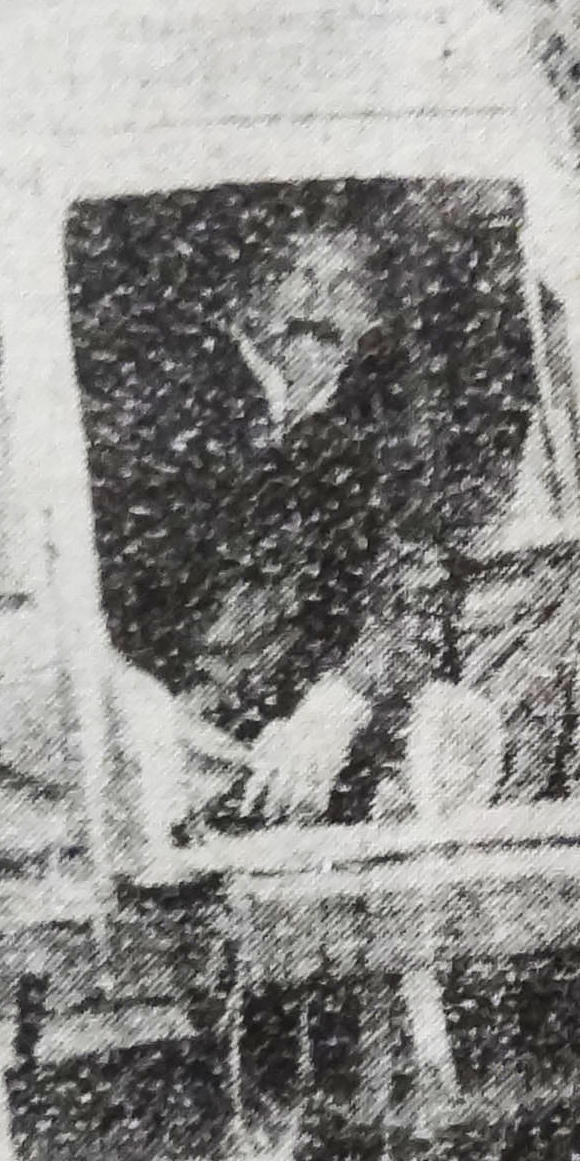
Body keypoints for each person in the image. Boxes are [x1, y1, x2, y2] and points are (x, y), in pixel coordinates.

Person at [169, 214, 451, 827]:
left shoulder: (386, 439)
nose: (317, 302)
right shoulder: (186, 419)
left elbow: (413, 593)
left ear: (374, 324)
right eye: (294, 275)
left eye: (345, 285)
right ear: (243, 305)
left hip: (277, 764)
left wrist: (340, 701)